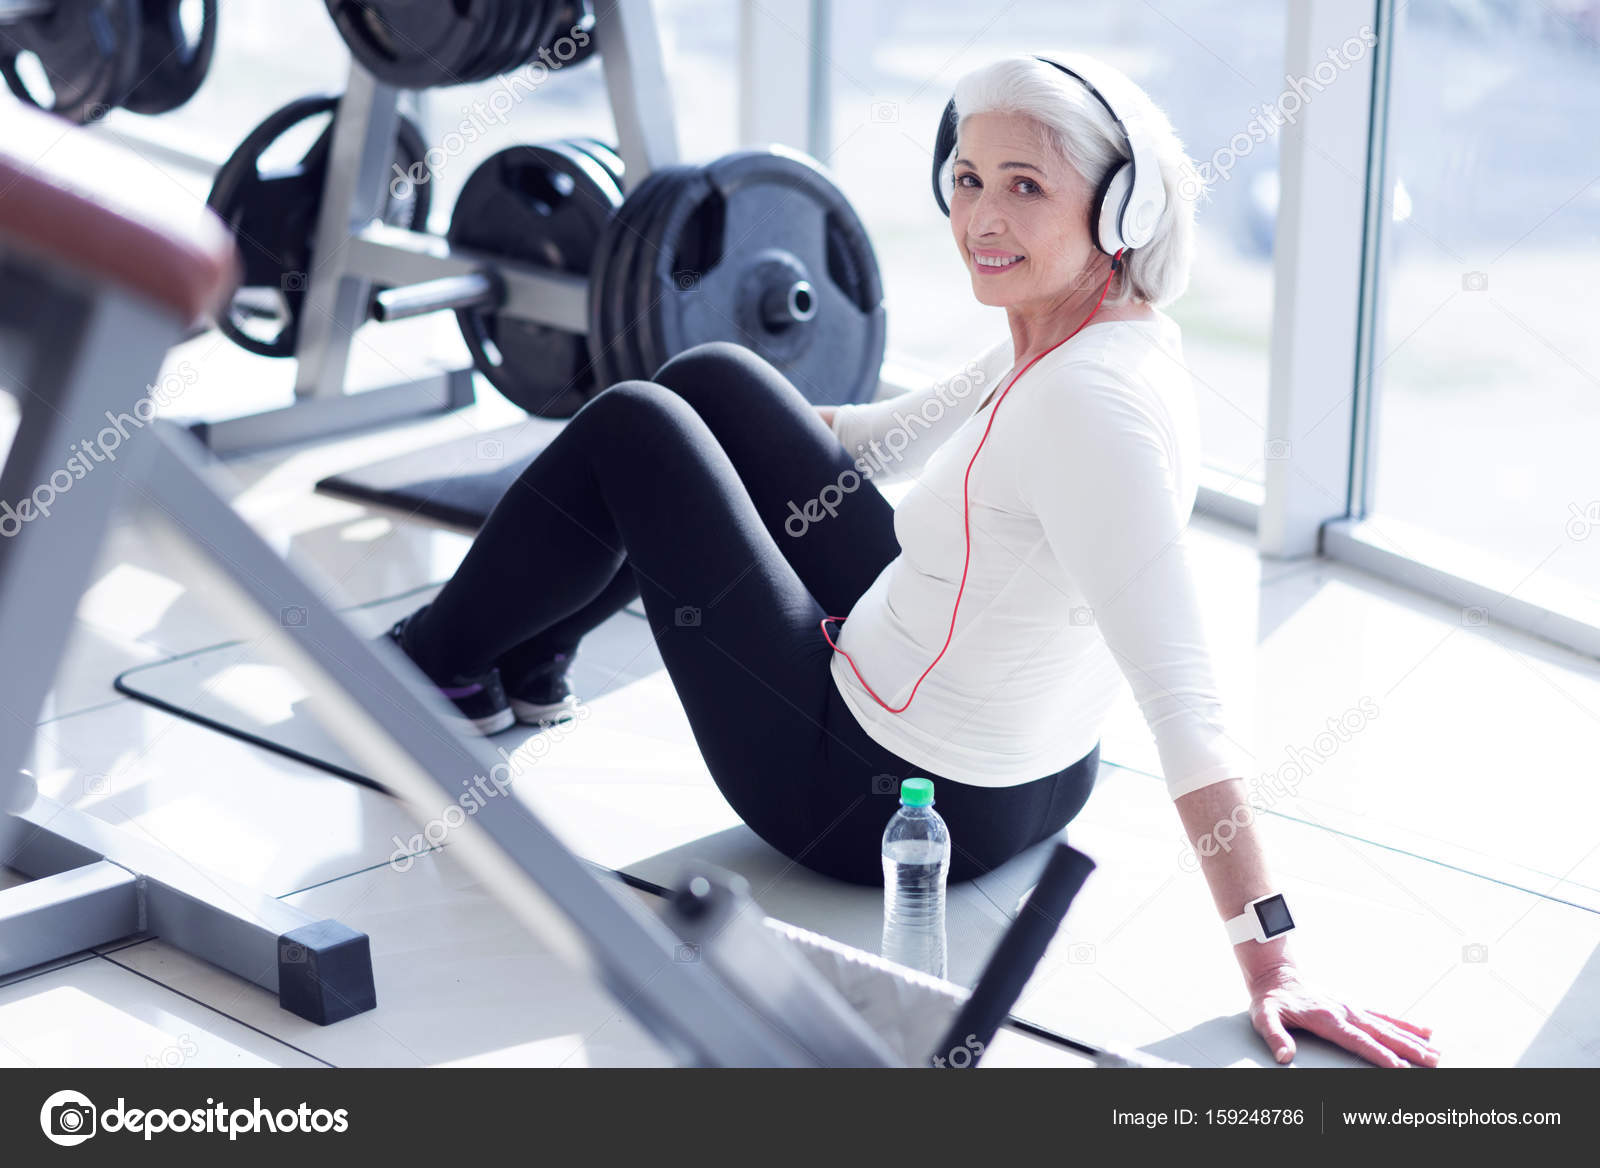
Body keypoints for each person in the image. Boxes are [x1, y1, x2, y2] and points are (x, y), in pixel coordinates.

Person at [386, 54, 1438, 1068]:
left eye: (1025, 187)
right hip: (1032, 778)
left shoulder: (1086, 408)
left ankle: (433, 661)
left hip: (872, 798)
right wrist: (726, 438)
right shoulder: (1087, 327)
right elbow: (888, 436)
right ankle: (526, 662)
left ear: (1121, 212)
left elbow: (1190, 705)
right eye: (969, 179)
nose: (982, 218)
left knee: (631, 428)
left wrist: (1277, 952)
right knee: (705, 379)